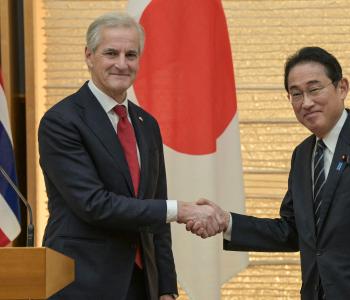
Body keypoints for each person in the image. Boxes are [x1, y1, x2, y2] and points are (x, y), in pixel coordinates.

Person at [191, 46, 350, 299]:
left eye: (314, 89)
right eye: (295, 94)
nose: (306, 102)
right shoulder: (302, 155)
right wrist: (227, 221)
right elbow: (291, 231)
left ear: (342, 87)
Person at [38, 12, 226, 300]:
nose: (122, 64)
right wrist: (182, 210)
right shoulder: (62, 121)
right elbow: (94, 204)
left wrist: (165, 287)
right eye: (111, 53)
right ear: (89, 56)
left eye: (131, 54)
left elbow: (155, 207)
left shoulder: (146, 124)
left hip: (142, 283)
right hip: (82, 283)